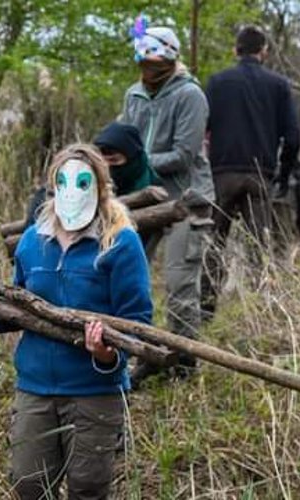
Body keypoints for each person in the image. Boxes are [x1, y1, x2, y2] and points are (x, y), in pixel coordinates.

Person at [0, 144, 152, 500]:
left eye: (83, 182)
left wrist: (106, 355)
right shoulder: (33, 241)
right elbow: (18, 314)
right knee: (29, 484)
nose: (73, 191)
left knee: (87, 488)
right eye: (64, 181)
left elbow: (137, 321)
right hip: (36, 388)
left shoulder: (121, 244)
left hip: (94, 392)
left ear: (100, 187)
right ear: (53, 186)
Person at [117, 17, 212, 381]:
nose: (147, 71)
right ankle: (141, 353)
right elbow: (126, 139)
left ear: (169, 62)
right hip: (144, 200)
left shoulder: (190, 95)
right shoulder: (134, 95)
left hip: (186, 201)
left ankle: (183, 363)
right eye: (143, 64)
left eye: (155, 65)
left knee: (179, 285)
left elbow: (183, 155)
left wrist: (137, 161)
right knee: (130, 280)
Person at [202, 26, 300, 311]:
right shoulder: (279, 85)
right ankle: (261, 313)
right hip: (261, 176)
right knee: (260, 250)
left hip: (221, 175)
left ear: (236, 51)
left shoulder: (217, 83)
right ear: (264, 52)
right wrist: (282, 176)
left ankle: (205, 309)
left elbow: (200, 130)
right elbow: (294, 137)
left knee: (213, 245)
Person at [24, 122, 155, 227]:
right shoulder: (82, 176)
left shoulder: (146, 186)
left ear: (132, 160)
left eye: (114, 160)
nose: (108, 167)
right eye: (102, 161)